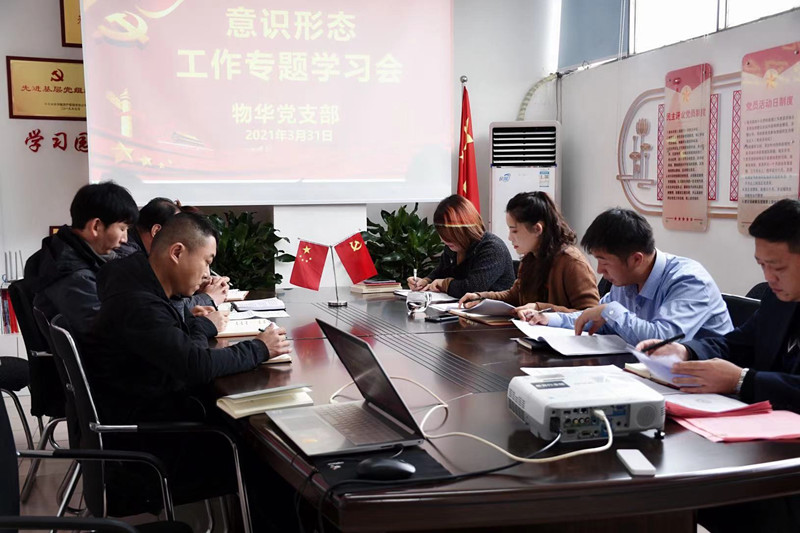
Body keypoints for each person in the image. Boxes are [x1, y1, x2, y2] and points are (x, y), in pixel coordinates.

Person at [80, 212, 291, 509]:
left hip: (147, 421)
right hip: (149, 450)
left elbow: (186, 351)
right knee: (267, 455)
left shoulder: (137, 282)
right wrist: (260, 349)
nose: (208, 274)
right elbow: (196, 366)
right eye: (206, 261)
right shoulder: (139, 304)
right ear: (177, 252)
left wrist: (199, 327)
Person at [637, 199, 800, 533]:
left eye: (777, 267)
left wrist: (741, 380)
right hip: (763, 440)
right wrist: (686, 351)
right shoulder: (776, 299)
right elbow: (736, 343)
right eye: (761, 265)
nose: (768, 277)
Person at [528, 208, 732, 344]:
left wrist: (610, 310)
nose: (600, 270)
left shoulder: (688, 280)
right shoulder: (627, 280)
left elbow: (662, 340)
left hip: (708, 386)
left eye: (604, 262)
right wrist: (550, 318)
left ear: (636, 259)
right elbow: (598, 317)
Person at [458, 191, 599, 316]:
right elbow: (515, 296)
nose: (509, 237)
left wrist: (540, 309)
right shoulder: (530, 257)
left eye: (514, 231)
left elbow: (591, 315)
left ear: (537, 229)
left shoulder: (572, 262)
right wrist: (481, 298)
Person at [28, 181, 138, 339]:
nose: (125, 239)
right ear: (96, 226)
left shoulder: (65, 250)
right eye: (122, 229)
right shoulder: (75, 276)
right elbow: (108, 332)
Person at [406, 195, 515, 298]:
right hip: (460, 308)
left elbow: (472, 288)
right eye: (442, 233)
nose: (445, 239)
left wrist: (445, 284)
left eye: (451, 234)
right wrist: (425, 281)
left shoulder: (492, 248)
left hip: (493, 310)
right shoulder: (452, 247)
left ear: (466, 229)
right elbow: (440, 272)